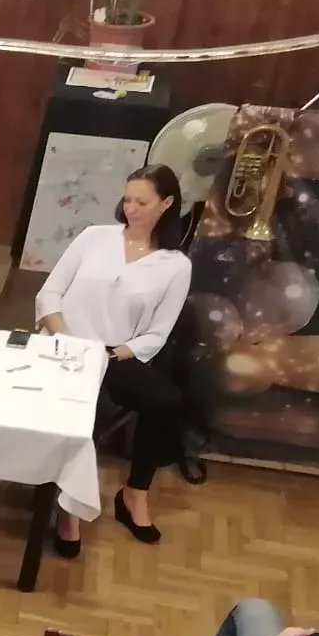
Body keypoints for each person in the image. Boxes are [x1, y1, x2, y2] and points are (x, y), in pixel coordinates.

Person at [36, 164, 194, 551]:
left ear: (166, 204)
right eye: (127, 200)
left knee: (166, 402)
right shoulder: (94, 237)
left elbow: (157, 333)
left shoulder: (176, 265)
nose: (131, 209)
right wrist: (67, 337)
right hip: (66, 345)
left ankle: (135, 493)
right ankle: (69, 509)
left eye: (142, 202)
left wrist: (117, 353)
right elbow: (49, 294)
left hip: (116, 354)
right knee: (88, 412)